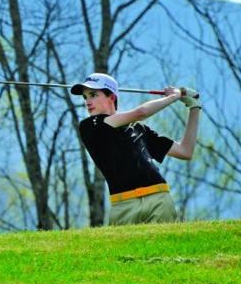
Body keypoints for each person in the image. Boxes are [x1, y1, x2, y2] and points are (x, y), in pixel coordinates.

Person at [71, 73, 201, 226]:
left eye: (93, 95)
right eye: (85, 97)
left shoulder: (139, 129)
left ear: (111, 97)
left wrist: (194, 107)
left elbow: (185, 151)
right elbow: (141, 113)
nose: (87, 102)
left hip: (158, 198)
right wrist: (173, 97)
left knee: (164, 249)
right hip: (123, 205)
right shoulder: (89, 126)